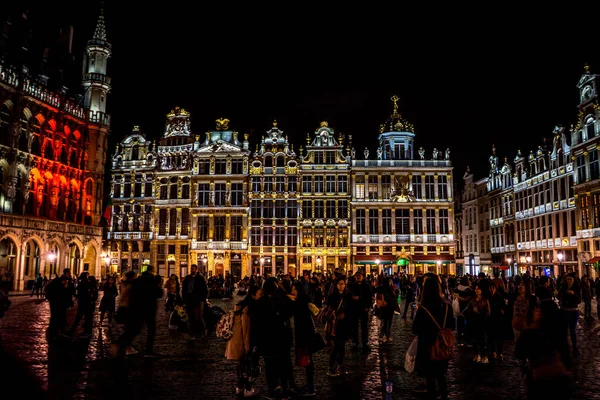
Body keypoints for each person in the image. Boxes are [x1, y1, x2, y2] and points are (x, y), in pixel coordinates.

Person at [412, 276, 455, 400]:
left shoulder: (423, 309)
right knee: (441, 376)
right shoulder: (447, 307)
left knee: (430, 378)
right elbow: (452, 326)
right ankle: (444, 396)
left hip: (427, 347)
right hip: (443, 346)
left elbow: (415, 329)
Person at [114, 265, 163, 358]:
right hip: (150, 308)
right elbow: (159, 293)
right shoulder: (153, 280)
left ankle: (121, 344)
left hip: (138, 308)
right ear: (152, 271)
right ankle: (148, 351)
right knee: (151, 330)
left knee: (134, 329)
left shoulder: (137, 281)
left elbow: (132, 295)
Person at [225, 285, 260, 398]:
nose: (261, 296)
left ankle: (240, 387)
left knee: (242, 364)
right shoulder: (247, 309)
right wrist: (247, 346)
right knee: (247, 365)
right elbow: (245, 330)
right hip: (244, 341)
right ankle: (248, 389)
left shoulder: (242, 306)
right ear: (253, 295)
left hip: (238, 341)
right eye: (260, 294)